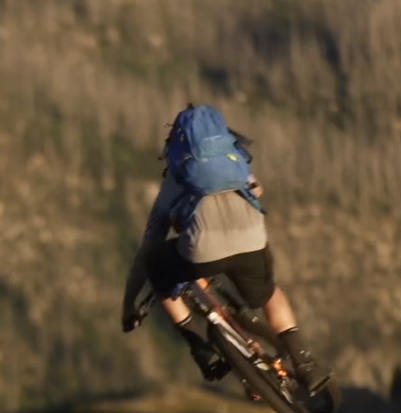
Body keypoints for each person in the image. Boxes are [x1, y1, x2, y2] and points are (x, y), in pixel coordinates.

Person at [120, 106, 332, 393]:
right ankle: (305, 363)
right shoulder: (235, 161)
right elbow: (257, 190)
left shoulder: (176, 179)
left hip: (201, 251)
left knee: (159, 268)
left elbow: (148, 247)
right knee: (269, 294)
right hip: (252, 239)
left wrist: (129, 306)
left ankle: (201, 349)